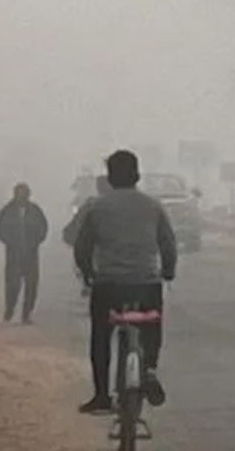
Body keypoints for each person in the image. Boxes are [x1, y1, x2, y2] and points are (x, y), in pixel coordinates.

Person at [74, 150, 176, 415]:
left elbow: (82, 247)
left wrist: (88, 273)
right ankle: (150, 368)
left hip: (108, 286)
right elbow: (168, 244)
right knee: (151, 325)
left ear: (109, 178)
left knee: (101, 336)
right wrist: (168, 272)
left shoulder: (97, 207)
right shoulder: (153, 206)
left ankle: (101, 395)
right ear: (137, 175)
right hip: (146, 285)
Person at [0, 183, 49, 324]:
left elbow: (43, 228)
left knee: (31, 286)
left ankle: (26, 314)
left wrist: (35, 242)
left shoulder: (35, 211)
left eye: (25, 193)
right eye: (20, 193)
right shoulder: (7, 211)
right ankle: (9, 310)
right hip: (13, 255)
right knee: (12, 285)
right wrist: (10, 242)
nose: (22, 196)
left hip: (31, 254)